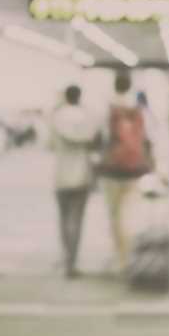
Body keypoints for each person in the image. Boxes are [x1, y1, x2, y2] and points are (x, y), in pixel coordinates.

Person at [99, 72, 151, 271]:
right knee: (130, 211)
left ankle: (120, 257)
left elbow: (101, 136)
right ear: (129, 86)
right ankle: (130, 254)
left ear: (114, 85)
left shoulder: (108, 108)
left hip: (112, 169)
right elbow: (148, 137)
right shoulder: (138, 108)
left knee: (114, 214)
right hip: (134, 167)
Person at [51, 85, 98, 279]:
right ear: (80, 96)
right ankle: (72, 261)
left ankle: (66, 256)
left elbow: (48, 143)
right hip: (81, 174)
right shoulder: (87, 116)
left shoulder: (57, 116)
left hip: (61, 174)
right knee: (76, 220)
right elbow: (94, 141)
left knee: (63, 218)